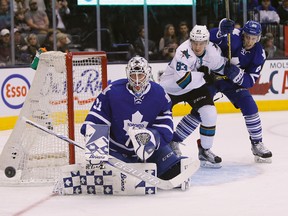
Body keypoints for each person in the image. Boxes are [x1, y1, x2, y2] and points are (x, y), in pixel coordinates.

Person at [173, 19, 272, 163]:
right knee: (201, 110)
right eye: (247, 36)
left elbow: (250, 81)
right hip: (211, 78)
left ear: (258, 38)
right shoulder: (233, 35)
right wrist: (220, 30)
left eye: (254, 38)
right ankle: (175, 141)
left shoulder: (259, 54)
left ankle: (257, 143)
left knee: (250, 106)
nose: (249, 41)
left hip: (232, 83)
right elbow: (207, 37)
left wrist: (238, 75)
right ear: (243, 34)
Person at [80, 56, 186, 180]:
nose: (136, 81)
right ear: (127, 74)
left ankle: (155, 164)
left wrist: (152, 137)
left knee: (174, 172)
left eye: (140, 75)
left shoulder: (159, 94)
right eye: (133, 75)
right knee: (112, 178)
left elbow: (166, 125)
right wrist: (96, 153)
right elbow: (96, 120)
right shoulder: (112, 92)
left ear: (147, 74)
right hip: (116, 150)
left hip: (149, 151)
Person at [159, 25, 225, 168]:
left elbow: (221, 68)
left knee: (210, 113)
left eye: (201, 43)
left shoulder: (213, 52)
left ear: (207, 42)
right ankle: (161, 150)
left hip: (195, 87)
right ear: (190, 40)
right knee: (158, 117)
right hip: (171, 87)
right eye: (195, 42)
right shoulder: (183, 51)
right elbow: (183, 81)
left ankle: (205, 150)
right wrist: (204, 75)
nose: (197, 46)